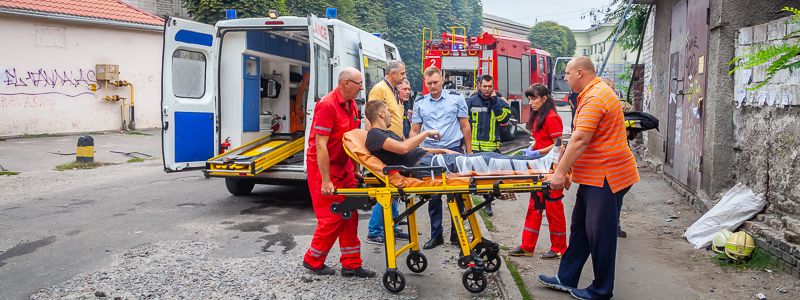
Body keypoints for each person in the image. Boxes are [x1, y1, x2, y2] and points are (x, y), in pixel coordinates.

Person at [537, 57, 639, 300]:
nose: (565, 77)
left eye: (567, 73)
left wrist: (559, 173)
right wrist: (563, 160)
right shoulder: (592, 92)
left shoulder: (595, 97)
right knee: (581, 228)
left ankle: (602, 290)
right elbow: (579, 136)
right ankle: (567, 277)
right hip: (596, 176)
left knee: (600, 235)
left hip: (608, 177)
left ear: (580, 73)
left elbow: (581, 139)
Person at [302, 67, 376, 278]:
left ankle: (352, 264)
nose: (362, 88)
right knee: (332, 216)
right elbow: (321, 146)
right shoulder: (326, 105)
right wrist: (326, 180)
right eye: (359, 84)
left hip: (342, 167)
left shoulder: (352, 105)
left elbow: (351, 140)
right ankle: (312, 260)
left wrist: (355, 169)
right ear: (345, 83)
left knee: (350, 214)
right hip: (323, 167)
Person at [364, 100, 542, 178]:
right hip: (426, 165)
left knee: (485, 158)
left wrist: (441, 150)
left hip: (429, 160)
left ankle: (535, 160)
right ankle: (537, 164)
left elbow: (408, 149)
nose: (389, 115)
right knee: (485, 161)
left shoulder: (383, 135)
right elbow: (404, 149)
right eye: (387, 112)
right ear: (380, 113)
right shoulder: (374, 135)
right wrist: (425, 133)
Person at [410, 66, 472, 249]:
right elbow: (415, 129)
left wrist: (468, 153)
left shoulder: (456, 99)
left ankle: (456, 234)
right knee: (434, 195)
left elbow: (465, 126)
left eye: (435, 82)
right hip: (430, 152)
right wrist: (411, 150)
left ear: (442, 79)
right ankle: (436, 235)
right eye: (429, 83)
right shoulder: (420, 103)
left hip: (453, 150)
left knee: (457, 194)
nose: (432, 86)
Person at [508, 84, 568, 260]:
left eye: (534, 98)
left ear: (544, 99)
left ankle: (559, 248)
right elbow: (539, 140)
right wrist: (532, 147)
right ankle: (527, 246)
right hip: (539, 167)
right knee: (534, 206)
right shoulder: (538, 116)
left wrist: (538, 151)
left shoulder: (551, 117)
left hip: (551, 168)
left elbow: (559, 144)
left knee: (553, 209)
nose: (531, 102)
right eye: (529, 99)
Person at [365, 60, 410, 245]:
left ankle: (391, 225)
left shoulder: (392, 90)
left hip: (393, 144)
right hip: (384, 147)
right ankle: (375, 231)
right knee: (387, 190)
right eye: (402, 73)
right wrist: (374, 146)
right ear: (392, 74)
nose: (404, 76)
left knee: (394, 190)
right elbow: (371, 116)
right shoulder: (380, 89)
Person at [466, 75, 512, 217]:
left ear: (493, 87)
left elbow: (503, 119)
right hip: (473, 147)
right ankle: (471, 205)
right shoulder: (470, 102)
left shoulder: (499, 103)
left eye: (489, 86)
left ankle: (488, 204)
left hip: (491, 147)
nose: (487, 89)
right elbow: (464, 124)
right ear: (479, 85)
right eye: (484, 86)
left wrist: (495, 103)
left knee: (490, 179)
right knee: (472, 178)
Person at [601, 77, 632, 239]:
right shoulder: (600, 105)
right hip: (609, 159)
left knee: (615, 194)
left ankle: (613, 225)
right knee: (612, 196)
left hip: (616, 159)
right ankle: (611, 225)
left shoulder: (613, 104)